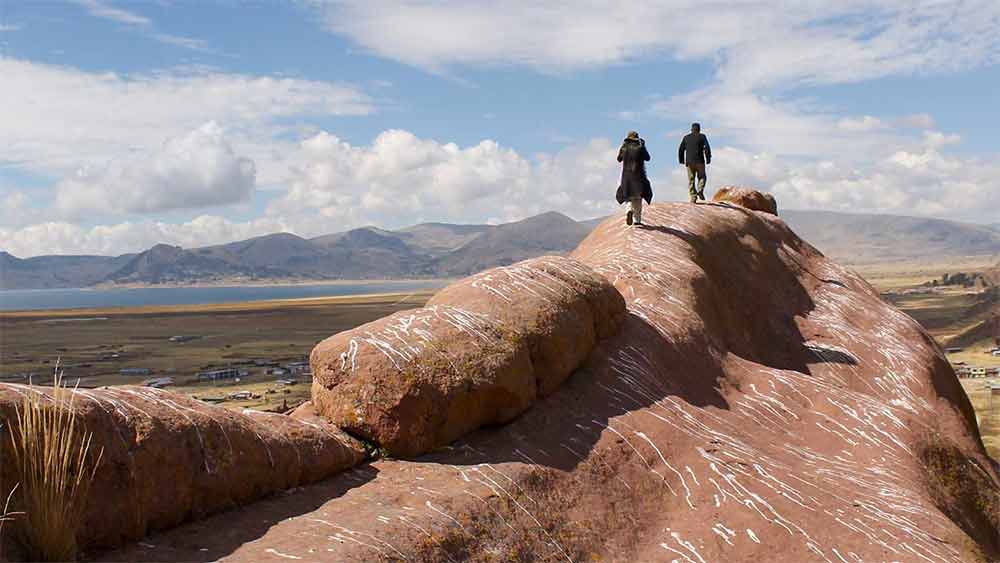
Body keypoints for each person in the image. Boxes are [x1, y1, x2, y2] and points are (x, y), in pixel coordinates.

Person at [616, 131, 652, 226]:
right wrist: (643, 146)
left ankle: (628, 210)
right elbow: (648, 158)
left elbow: (619, 159)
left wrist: (623, 147)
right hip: (638, 175)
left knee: (628, 195)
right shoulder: (640, 147)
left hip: (627, 176)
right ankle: (637, 220)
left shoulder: (625, 147)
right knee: (638, 197)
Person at [678, 123, 711, 203]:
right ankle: (700, 190)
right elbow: (707, 147)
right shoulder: (702, 136)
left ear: (691, 129)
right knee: (702, 177)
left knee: (691, 179)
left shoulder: (686, 138)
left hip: (689, 162)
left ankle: (693, 197)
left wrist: (681, 160)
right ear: (699, 129)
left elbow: (681, 149)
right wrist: (708, 158)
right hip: (700, 161)